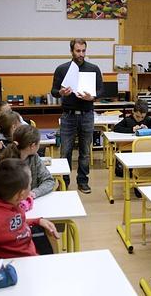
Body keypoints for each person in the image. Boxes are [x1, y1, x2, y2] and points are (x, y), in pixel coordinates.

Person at [51, 38, 103, 194]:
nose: (81, 54)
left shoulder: (93, 68)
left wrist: (92, 97)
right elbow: (54, 91)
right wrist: (60, 92)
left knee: (85, 151)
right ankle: (64, 182)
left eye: (83, 51)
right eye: (78, 51)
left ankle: (83, 181)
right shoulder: (62, 69)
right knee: (65, 151)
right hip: (68, 115)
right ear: (71, 51)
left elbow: (101, 91)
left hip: (87, 114)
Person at [0, 125, 55, 199]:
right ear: (32, 146)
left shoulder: (34, 158)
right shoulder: (5, 162)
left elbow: (49, 180)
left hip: (28, 206)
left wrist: (34, 193)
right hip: (6, 210)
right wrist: (1, 198)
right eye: (38, 143)